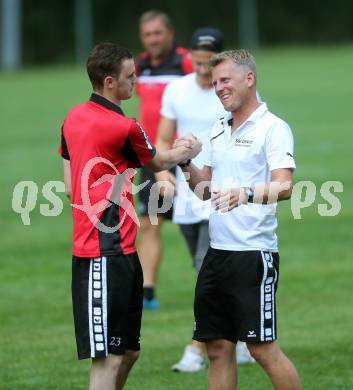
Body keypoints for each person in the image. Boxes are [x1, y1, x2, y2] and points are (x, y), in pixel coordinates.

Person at [58, 42, 201, 390]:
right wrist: (189, 150)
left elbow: (67, 186)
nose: (135, 82)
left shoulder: (72, 118)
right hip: (100, 254)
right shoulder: (124, 127)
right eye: (129, 76)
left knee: (129, 352)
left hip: (122, 251)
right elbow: (158, 162)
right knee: (107, 360)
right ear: (110, 82)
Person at [177, 50, 301, 389]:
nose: (218, 88)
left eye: (225, 80)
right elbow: (204, 191)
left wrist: (245, 193)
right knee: (217, 347)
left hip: (253, 256)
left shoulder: (273, 128)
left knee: (262, 350)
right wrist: (186, 163)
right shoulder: (218, 128)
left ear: (249, 79)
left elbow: (285, 186)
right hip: (217, 255)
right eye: (215, 82)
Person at [155, 29, 255, 372]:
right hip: (188, 193)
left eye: (207, 62)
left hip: (219, 194)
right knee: (207, 271)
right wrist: (162, 173)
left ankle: (196, 349)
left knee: (206, 274)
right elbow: (164, 136)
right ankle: (241, 336)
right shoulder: (177, 90)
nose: (201, 69)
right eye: (197, 61)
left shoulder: (229, 89)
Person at [136, 10, 194, 309]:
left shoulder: (186, 62)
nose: (153, 39)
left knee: (195, 224)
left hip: (185, 154)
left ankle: (210, 281)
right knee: (149, 223)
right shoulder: (140, 66)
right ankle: (148, 291)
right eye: (147, 35)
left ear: (169, 33)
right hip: (152, 156)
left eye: (158, 33)